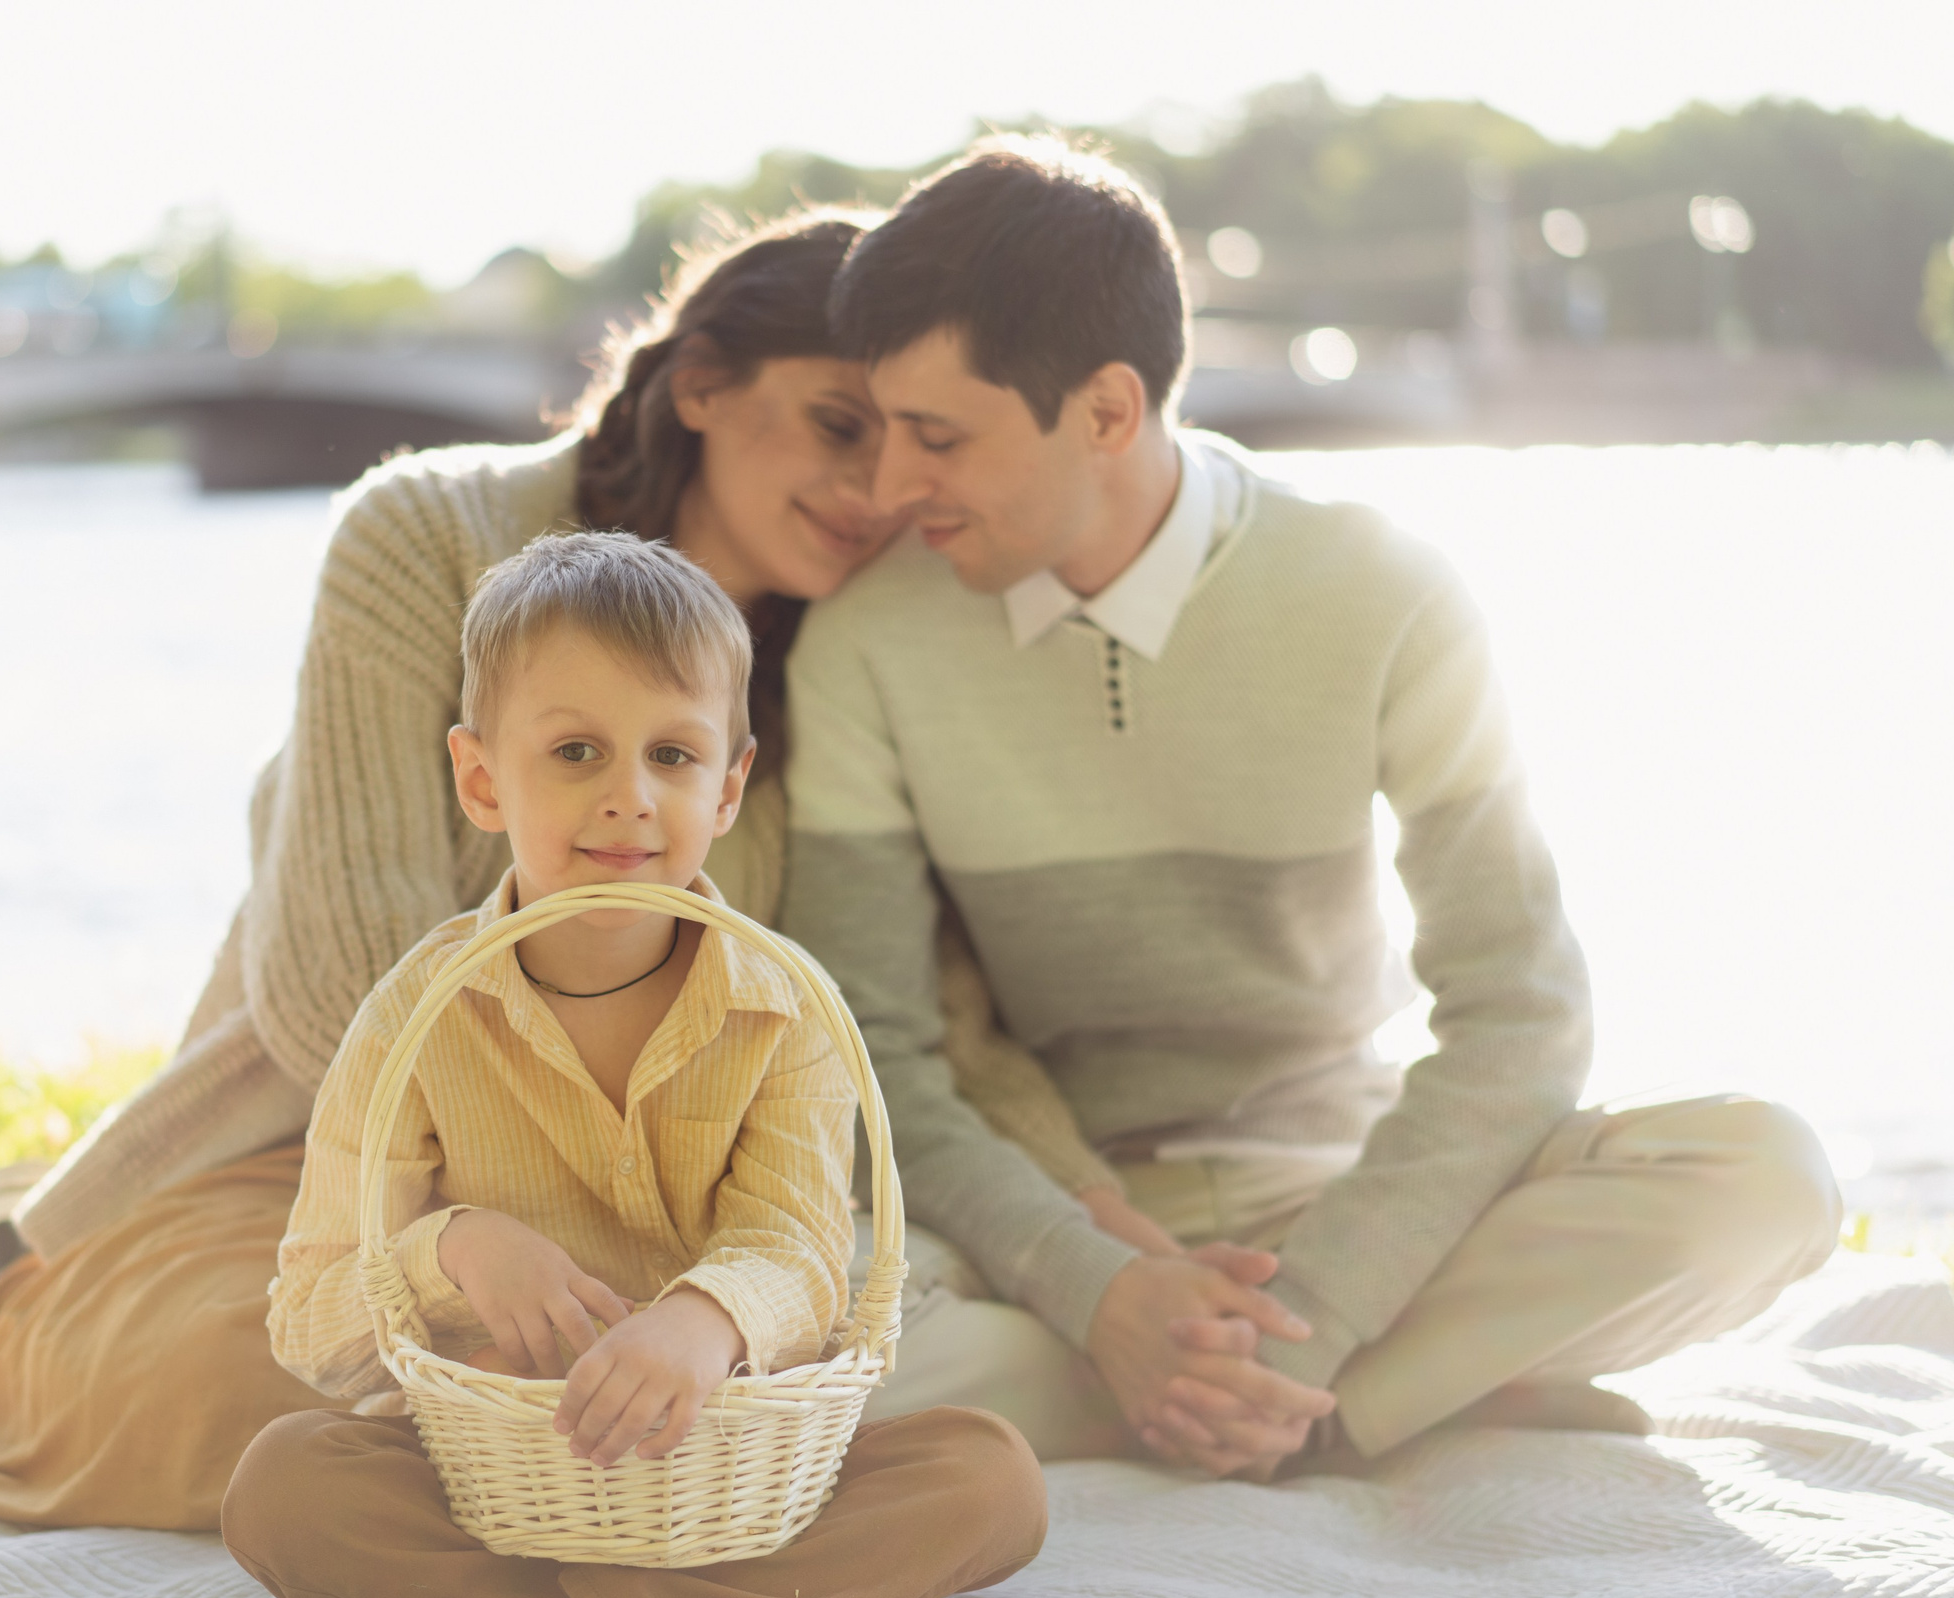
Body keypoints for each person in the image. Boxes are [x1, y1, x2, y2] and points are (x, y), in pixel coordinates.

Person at [0, 208, 1101, 1526]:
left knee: (829, 1369)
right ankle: (713, 1588)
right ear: (703, 384)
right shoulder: (428, 534)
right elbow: (336, 978)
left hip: (655, 1216)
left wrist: (1106, 1239)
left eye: (907, 449)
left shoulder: (838, 657)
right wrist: (493, 1251)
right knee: (293, 1398)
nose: (879, 491)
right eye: (839, 424)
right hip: (329, 1161)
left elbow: (905, 1017)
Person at [786, 136, 1843, 1477]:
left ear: (1107, 411)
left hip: (1354, 1186)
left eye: (939, 438)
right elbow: (871, 1044)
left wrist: (1315, 1315)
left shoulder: (1383, 586)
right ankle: (1390, 1394)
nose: (887, 491)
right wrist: (1098, 1284)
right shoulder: (869, 642)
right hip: (1059, 1204)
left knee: (1767, 1178)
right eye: (883, 434)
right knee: (794, 1325)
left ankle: (1246, 1397)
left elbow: (1522, 1009)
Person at [226, 533, 1044, 1598]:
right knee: (285, 1487)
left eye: (672, 753)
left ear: (729, 784)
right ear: (481, 779)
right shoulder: (415, 1013)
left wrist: (706, 1321)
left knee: (991, 1476)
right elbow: (310, 1314)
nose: (629, 796)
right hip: (502, 1476)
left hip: (737, 1480)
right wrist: (450, 1251)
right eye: (573, 751)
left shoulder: (784, 1005)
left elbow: (803, 1250)